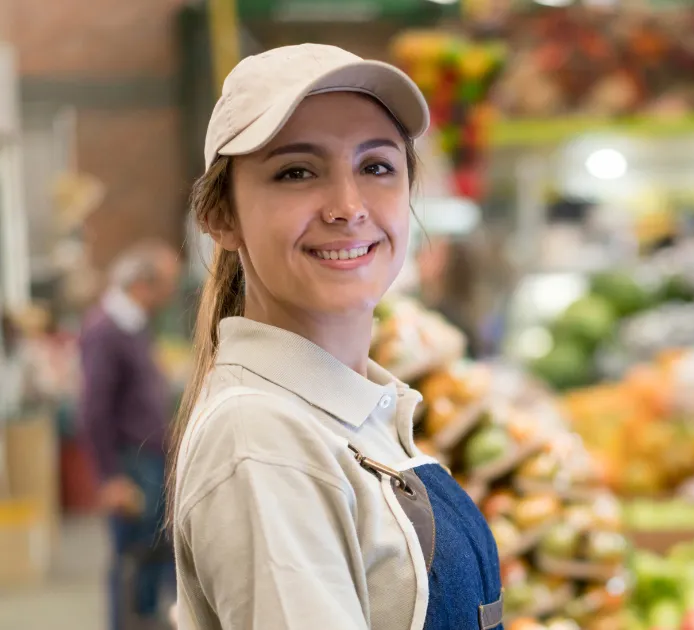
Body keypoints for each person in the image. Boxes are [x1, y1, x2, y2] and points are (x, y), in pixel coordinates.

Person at [169, 44, 503, 630]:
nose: (348, 207)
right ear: (222, 217)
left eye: (376, 167)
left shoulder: (357, 412)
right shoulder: (264, 437)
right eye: (296, 172)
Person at [78, 240, 181, 630]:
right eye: (167, 283)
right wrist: (110, 477)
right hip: (130, 465)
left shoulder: (132, 325)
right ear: (143, 283)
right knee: (132, 561)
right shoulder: (107, 330)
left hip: (149, 459)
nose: (171, 293)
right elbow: (94, 409)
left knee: (152, 559)